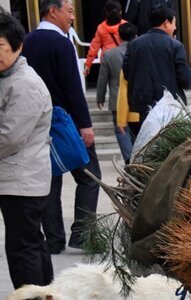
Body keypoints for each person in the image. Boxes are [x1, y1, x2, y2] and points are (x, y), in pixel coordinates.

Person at [22, 0, 102, 253]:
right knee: (90, 177)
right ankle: (81, 235)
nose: (72, 18)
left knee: (51, 180)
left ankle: (54, 240)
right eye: (68, 11)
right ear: (52, 11)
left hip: (36, 123)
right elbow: (72, 88)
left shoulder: (27, 41)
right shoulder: (61, 42)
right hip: (65, 123)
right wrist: (85, 125)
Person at [0, 10, 54, 300]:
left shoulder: (26, 85)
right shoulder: (10, 78)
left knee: (22, 250)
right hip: (20, 179)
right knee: (32, 245)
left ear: (17, 45)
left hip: (22, 181)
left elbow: (8, 137)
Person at [122, 2, 191, 137]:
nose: (175, 27)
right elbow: (186, 80)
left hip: (142, 108)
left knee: (146, 148)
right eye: (174, 23)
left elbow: (126, 74)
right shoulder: (175, 45)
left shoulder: (134, 44)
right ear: (166, 23)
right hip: (171, 108)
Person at [97, 21, 136, 163]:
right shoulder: (140, 52)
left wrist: (100, 97)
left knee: (121, 130)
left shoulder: (109, 54)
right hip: (137, 98)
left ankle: (129, 159)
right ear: (135, 36)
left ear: (119, 37)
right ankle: (138, 157)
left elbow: (102, 79)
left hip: (116, 99)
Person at [83, 0, 125, 77]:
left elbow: (94, 47)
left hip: (107, 60)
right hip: (123, 59)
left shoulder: (101, 27)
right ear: (120, 12)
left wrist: (88, 64)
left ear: (106, 12)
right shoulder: (125, 25)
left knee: (111, 84)